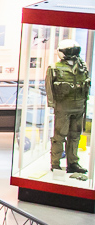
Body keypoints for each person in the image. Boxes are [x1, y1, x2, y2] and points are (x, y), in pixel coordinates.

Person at [47, 38, 90, 174]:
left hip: (78, 107)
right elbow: (49, 88)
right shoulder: (54, 68)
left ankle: (73, 163)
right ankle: (55, 163)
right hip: (63, 108)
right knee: (59, 136)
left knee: (75, 136)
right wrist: (52, 104)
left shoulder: (82, 68)